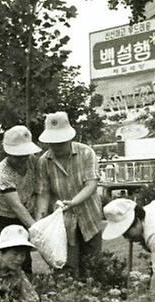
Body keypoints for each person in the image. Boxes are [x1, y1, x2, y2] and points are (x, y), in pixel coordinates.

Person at [37, 111, 103, 278]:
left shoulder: (87, 153)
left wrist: (73, 202)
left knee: (93, 264)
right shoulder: (44, 162)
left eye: (60, 142)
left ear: (69, 139)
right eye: (52, 143)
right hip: (64, 222)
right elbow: (43, 193)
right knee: (67, 266)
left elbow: (91, 185)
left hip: (89, 217)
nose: (56, 147)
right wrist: (41, 219)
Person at [0, 125, 43, 274]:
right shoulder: (3, 173)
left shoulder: (34, 162)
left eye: (24, 154)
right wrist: (37, 229)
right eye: (17, 155)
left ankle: (25, 290)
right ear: (8, 152)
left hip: (21, 215)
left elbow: (41, 191)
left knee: (23, 257)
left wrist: (39, 220)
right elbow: (16, 205)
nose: (22, 159)